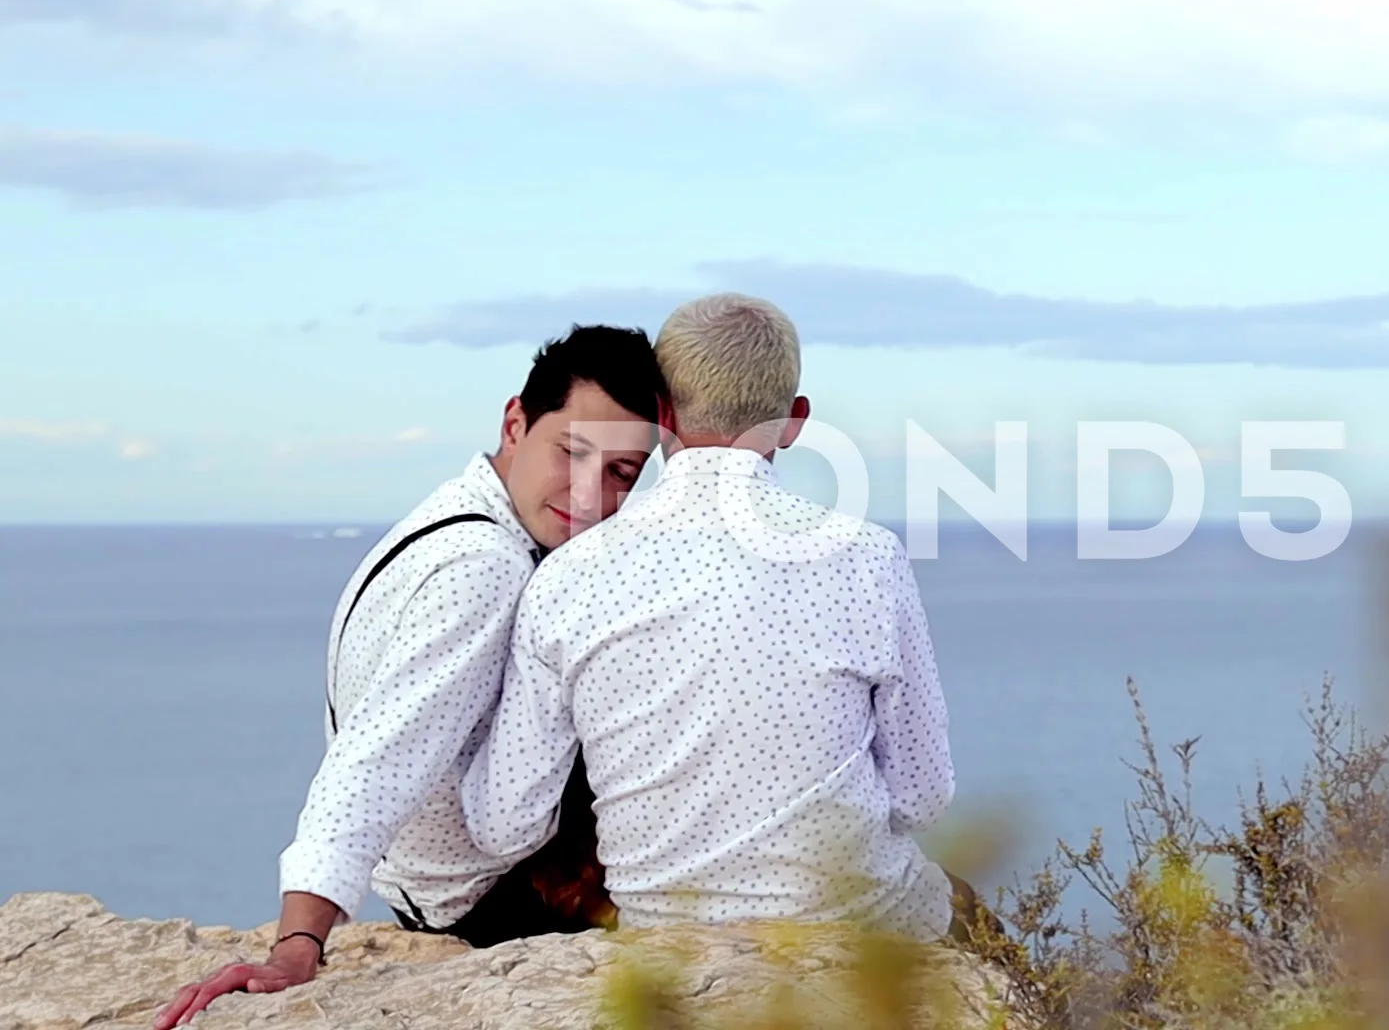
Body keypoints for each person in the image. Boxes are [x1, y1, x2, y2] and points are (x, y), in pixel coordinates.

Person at [155, 325, 669, 1029]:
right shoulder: (482, 569)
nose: (589, 495)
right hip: (491, 901)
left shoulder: (451, 518)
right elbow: (376, 756)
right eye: (572, 452)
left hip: (431, 881)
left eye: (620, 474)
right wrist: (297, 944)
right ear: (515, 420)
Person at [459, 293, 968, 942]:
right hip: (854, 934)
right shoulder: (868, 558)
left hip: (665, 944)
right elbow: (923, 798)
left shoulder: (568, 574)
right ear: (794, 421)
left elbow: (508, 825)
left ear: (661, 413)